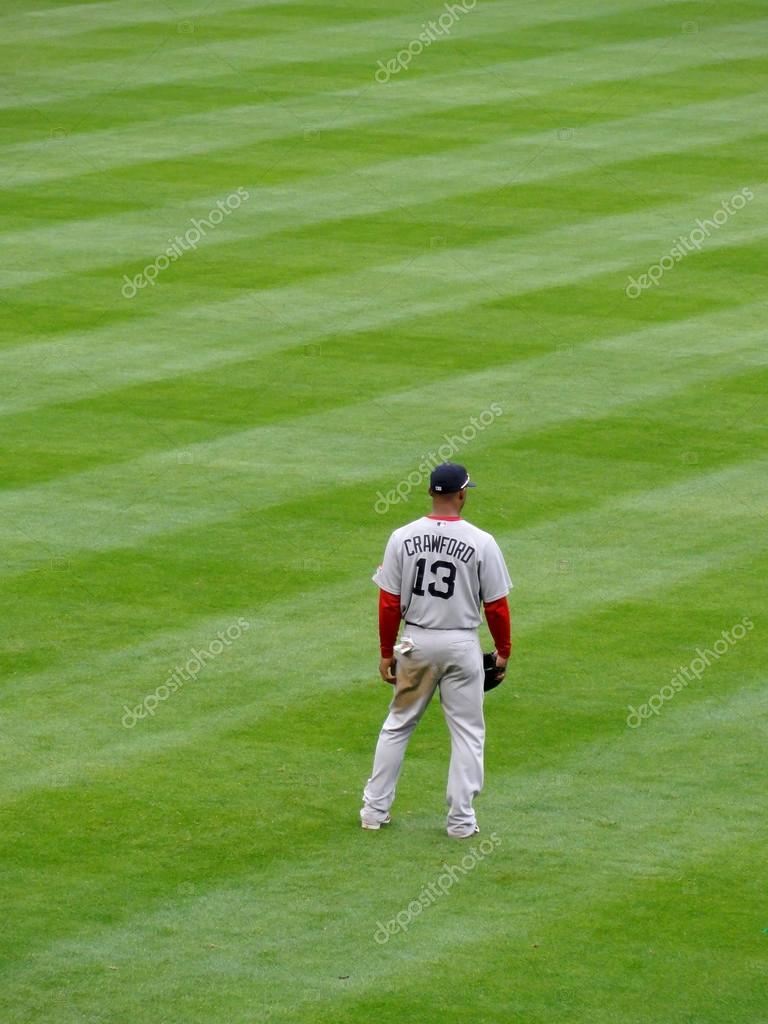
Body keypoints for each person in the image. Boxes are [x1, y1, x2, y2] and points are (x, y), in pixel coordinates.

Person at [360, 462, 512, 837]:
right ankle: (461, 822)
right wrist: (504, 650)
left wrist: (385, 651)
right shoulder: (482, 541)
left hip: (415, 642)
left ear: (431, 493)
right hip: (461, 644)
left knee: (397, 725)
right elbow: (495, 605)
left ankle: (373, 813)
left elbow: (388, 602)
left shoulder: (402, 536)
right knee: (467, 732)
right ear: (462, 494)